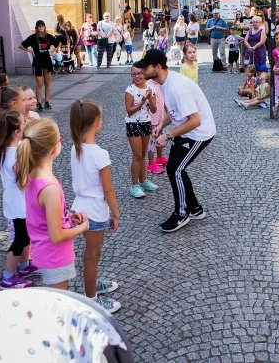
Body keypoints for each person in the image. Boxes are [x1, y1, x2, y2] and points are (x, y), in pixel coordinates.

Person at [135, 49, 216, 233]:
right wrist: (161, 125)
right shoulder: (163, 82)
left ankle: (182, 214)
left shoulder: (177, 87)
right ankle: (195, 209)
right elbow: (174, 112)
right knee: (176, 168)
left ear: (157, 67)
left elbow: (195, 120)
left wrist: (169, 135)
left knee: (175, 169)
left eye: (145, 68)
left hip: (199, 133)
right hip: (186, 129)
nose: (142, 72)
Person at [16, 118, 89, 289]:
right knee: (57, 306)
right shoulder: (50, 188)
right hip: (55, 257)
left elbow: (41, 215)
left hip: (44, 253)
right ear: (54, 148)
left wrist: (67, 216)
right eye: (60, 139)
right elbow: (57, 236)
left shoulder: (31, 175)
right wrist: (82, 228)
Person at [68, 100, 121, 312]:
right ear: (97, 123)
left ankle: (93, 284)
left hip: (80, 205)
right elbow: (108, 190)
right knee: (92, 255)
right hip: (95, 211)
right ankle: (91, 298)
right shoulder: (100, 154)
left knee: (91, 254)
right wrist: (116, 213)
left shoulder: (76, 147)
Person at [0, 111, 37, 289]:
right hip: (18, 204)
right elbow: (23, 180)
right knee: (20, 239)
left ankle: (23, 266)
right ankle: (7, 277)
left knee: (24, 236)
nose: (26, 125)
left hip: (14, 202)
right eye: (23, 124)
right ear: (16, 132)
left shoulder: (7, 149)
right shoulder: (15, 155)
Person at [125, 68, 159, 199]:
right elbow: (129, 111)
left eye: (139, 74)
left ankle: (143, 181)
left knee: (144, 153)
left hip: (146, 122)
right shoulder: (130, 90)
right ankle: (134, 185)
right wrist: (142, 101)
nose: (136, 77)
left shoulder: (151, 88)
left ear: (144, 74)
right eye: (133, 74)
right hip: (133, 124)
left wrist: (150, 99)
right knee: (137, 155)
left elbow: (154, 110)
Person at [19, 20, 59, 110]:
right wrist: (30, 51)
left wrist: (52, 51)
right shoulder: (33, 38)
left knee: (48, 82)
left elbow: (58, 43)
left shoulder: (48, 37)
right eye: (39, 26)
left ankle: (47, 101)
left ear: (44, 27)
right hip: (38, 61)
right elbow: (21, 45)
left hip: (47, 60)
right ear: (36, 28)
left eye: (42, 26)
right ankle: (39, 103)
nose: (41, 27)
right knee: (39, 83)